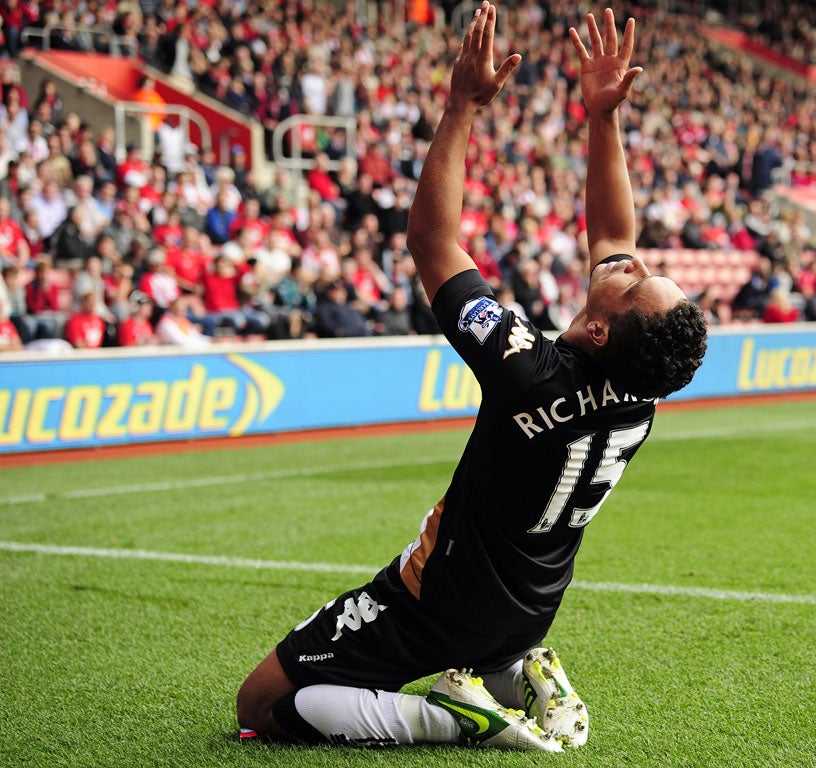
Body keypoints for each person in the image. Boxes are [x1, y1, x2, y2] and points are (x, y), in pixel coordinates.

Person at [236, 4, 706, 754]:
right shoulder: (641, 389)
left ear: (597, 329)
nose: (635, 260)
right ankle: (515, 669)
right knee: (480, 633)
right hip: (529, 605)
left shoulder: (529, 375)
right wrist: (601, 118)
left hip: (445, 603)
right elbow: (614, 237)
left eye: (636, 279)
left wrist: (461, 107)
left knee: (261, 703)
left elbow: (431, 242)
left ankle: (455, 715)